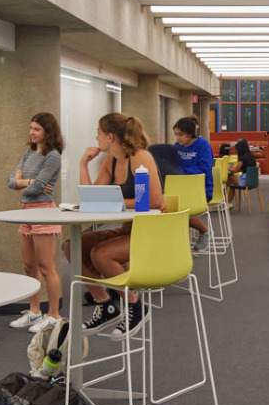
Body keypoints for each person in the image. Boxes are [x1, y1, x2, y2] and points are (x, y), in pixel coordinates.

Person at [77, 112, 163, 337]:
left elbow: (155, 201)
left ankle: (135, 306)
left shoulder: (141, 157)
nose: (96, 138)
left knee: (101, 254)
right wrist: (83, 165)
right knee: (74, 247)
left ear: (110, 137)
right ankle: (105, 305)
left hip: (152, 233)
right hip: (129, 230)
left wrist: (116, 201)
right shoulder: (110, 162)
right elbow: (91, 198)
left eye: (98, 133)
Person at [7, 112, 64, 333]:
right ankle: (34, 312)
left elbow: (37, 188)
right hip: (26, 212)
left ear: (47, 132)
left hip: (44, 212)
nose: (31, 132)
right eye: (31, 128)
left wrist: (23, 183)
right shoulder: (29, 153)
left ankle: (54, 315)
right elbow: (11, 181)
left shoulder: (53, 156)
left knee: (46, 267)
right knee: (29, 266)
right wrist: (27, 181)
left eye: (36, 129)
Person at [169, 116, 216, 248]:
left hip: (201, 191)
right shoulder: (177, 147)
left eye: (181, 134)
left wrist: (180, 171)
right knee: (165, 208)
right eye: (176, 134)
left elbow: (204, 170)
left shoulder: (203, 145)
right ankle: (178, 247)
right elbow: (172, 166)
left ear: (190, 134)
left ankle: (204, 231)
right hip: (181, 191)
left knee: (179, 211)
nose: (178, 138)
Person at [227, 138, 257, 205]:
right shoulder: (251, 156)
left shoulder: (242, 158)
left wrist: (228, 167)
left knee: (230, 178)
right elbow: (241, 169)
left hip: (245, 180)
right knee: (231, 183)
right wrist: (233, 168)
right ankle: (227, 203)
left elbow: (235, 171)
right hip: (253, 180)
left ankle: (225, 202)